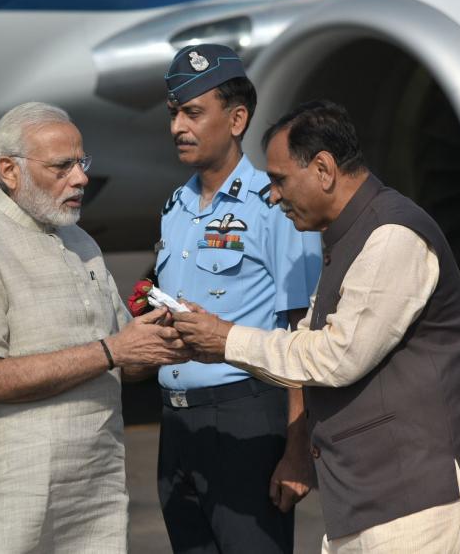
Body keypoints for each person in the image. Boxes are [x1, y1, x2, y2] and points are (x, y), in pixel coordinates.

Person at [173, 100, 460, 553]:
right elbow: (307, 344)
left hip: (424, 505)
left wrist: (226, 339)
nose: (272, 196)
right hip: (376, 502)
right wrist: (214, 336)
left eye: (279, 180)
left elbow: (336, 356)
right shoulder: (347, 237)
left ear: (324, 170)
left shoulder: (392, 235)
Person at [0, 102, 189, 554]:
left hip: (93, 500)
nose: (81, 178)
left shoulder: (80, 242)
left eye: (82, 162)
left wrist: (165, 337)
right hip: (7, 507)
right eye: (62, 166)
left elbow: (125, 361)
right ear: (9, 171)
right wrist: (112, 350)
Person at [155, 44, 322, 553]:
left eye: (192, 113)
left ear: (236, 119)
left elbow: (302, 328)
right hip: (177, 424)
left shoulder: (275, 205)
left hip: (245, 416)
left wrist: (298, 449)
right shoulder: (175, 207)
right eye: (174, 114)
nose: (178, 127)